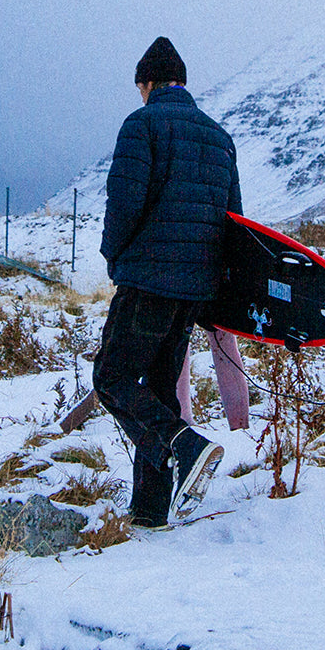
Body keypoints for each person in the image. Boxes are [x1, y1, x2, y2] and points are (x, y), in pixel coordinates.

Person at [93, 36, 242, 526]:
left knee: (111, 378)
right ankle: (150, 510)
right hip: (193, 291)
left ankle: (185, 445)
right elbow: (234, 222)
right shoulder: (220, 138)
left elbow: (124, 204)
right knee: (158, 391)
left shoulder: (141, 125)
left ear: (148, 83)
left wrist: (114, 256)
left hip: (148, 281)